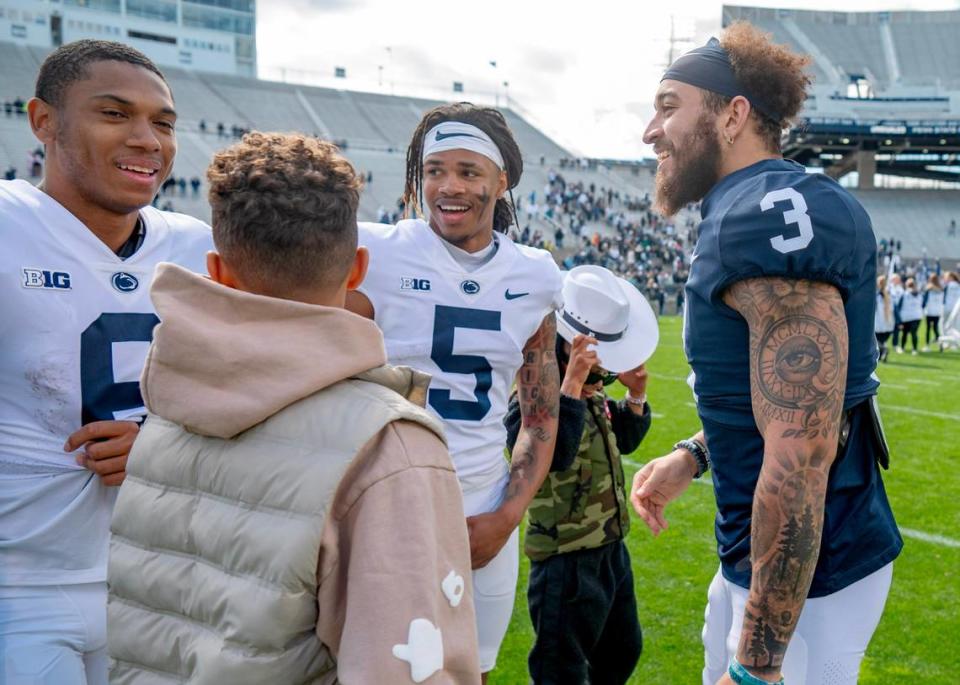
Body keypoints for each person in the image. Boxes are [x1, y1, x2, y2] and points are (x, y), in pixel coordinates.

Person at [106, 132, 480, 684]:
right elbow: (406, 666)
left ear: (216, 269)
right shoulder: (388, 442)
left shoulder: (164, 401)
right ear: (357, 270)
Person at [633, 23, 901, 685]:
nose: (651, 130)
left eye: (669, 105)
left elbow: (803, 449)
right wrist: (698, 452)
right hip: (775, 564)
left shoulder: (761, 219)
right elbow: (804, 388)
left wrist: (756, 666)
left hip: (808, 583)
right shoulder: (774, 204)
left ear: (733, 114)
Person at [0, 40, 213, 685]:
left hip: (162, 579)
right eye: (115, 114)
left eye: (164, 122)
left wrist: (164, 443)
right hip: (23, 586)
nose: (149, 139)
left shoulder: (197, 246)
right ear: (44, 121)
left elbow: (261, 400)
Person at [347, 102, 563, 682]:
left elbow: (540, 418)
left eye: (469, 171)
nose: (449, 186)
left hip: (481, 507)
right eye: (435, 169)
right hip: (385, 506)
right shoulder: (375, 252)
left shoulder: (536, 275)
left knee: (475, 672)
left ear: (501, 181)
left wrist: (509, 513)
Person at [504, 265, 659, 685]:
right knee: (561, 672)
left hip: (609, 547)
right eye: (600, 368)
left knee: (622, 651)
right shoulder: (533, 386)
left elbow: (622, 441)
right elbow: (549, 457)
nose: (603, 376)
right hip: (564, 557)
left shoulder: (589, 389)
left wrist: (637, 395)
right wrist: (571, 384)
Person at [896, 277, 923, 355]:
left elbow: (898, 306)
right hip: (917, 316)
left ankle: (902, 348)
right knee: (914, 333)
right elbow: (923, 304)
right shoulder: (919, 294)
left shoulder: (904, 294)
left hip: (906, 317)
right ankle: (914, 349)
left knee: (904, 333)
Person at [875, 275, 895, 363]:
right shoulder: (889, 294)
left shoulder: (877, 295)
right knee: (881, 340)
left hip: (879, 321)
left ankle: (883, 350)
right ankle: (882, 354)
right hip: (888, 321)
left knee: (877, 339)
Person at [921, 273, 944, 350]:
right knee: (935, 328)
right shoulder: (941, 289)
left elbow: (924, 301)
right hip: (937, 312)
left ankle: (927, 346)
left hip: (929, 311)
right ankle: (940, 344)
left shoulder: (929, 289)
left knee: (928, 329)